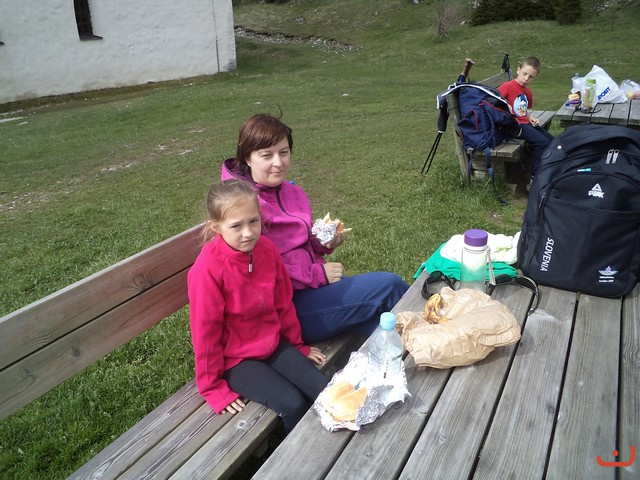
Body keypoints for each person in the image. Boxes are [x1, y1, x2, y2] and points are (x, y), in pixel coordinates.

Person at [221, 113, 410, 343]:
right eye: (267, 155)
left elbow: (299, 243)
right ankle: (434, 331)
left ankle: (427, 351)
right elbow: (255, 272)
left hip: (314, 291)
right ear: (247, 158)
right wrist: (317, 275)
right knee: (388, 287)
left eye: (284, 152)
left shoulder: (291, 192)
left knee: (383, 324)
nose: (278, 163)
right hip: (283, 309)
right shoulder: (241, 207)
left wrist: (321, 243)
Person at [187, 179, 329, 432]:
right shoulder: (207, 269)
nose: (248, 233)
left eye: (253, 221)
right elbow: (205, 332)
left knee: (322, 388)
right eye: (236, 226)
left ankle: (330, 440)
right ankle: (292, 452)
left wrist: (297, 345)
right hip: (236, 361)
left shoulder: (266, 249)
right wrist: (212, 388)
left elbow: (283, 303)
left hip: (273, 344)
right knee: (293, 404)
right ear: (216, 227)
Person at [498, 56, 554, 191]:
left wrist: (530, 117)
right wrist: (505, 106)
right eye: (524, 74)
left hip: (524, 123)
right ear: (518, 70)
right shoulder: (508, 86)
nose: (526, 79)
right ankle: (534, 180)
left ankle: (547, 172)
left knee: (552, 140)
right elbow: (492, 100)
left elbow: (522, 110)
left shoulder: (527, 92)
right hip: (512, 126)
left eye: (531, 77)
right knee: (542, 143)